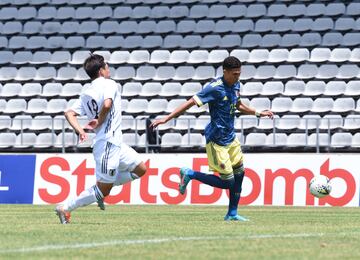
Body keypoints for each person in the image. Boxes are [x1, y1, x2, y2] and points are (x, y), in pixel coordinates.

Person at [151, 56, 273, 221]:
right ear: (225, 71)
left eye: (239, 74)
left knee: (240, 174)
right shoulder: (214, 88)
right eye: (235, 74)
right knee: (228, 182)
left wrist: (258, 113)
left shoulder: (236, 84)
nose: (238, 77)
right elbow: (190, 103)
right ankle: (190, 174)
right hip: (217, 141)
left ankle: (232, 214)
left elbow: (238, 105)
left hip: (231, 138)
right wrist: (166, 119)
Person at [55, 54, 147, 224]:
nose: (109, 69)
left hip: (115, 143)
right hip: (107, 143)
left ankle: (100, 188)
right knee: (104, 190)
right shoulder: (109, 84)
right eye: (107, 66)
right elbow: (106, 104)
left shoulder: (86, 92)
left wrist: (80, 130)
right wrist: (100, 119)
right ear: (101, 70)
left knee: (140, 169)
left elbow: (69, 113)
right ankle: (65, 207)